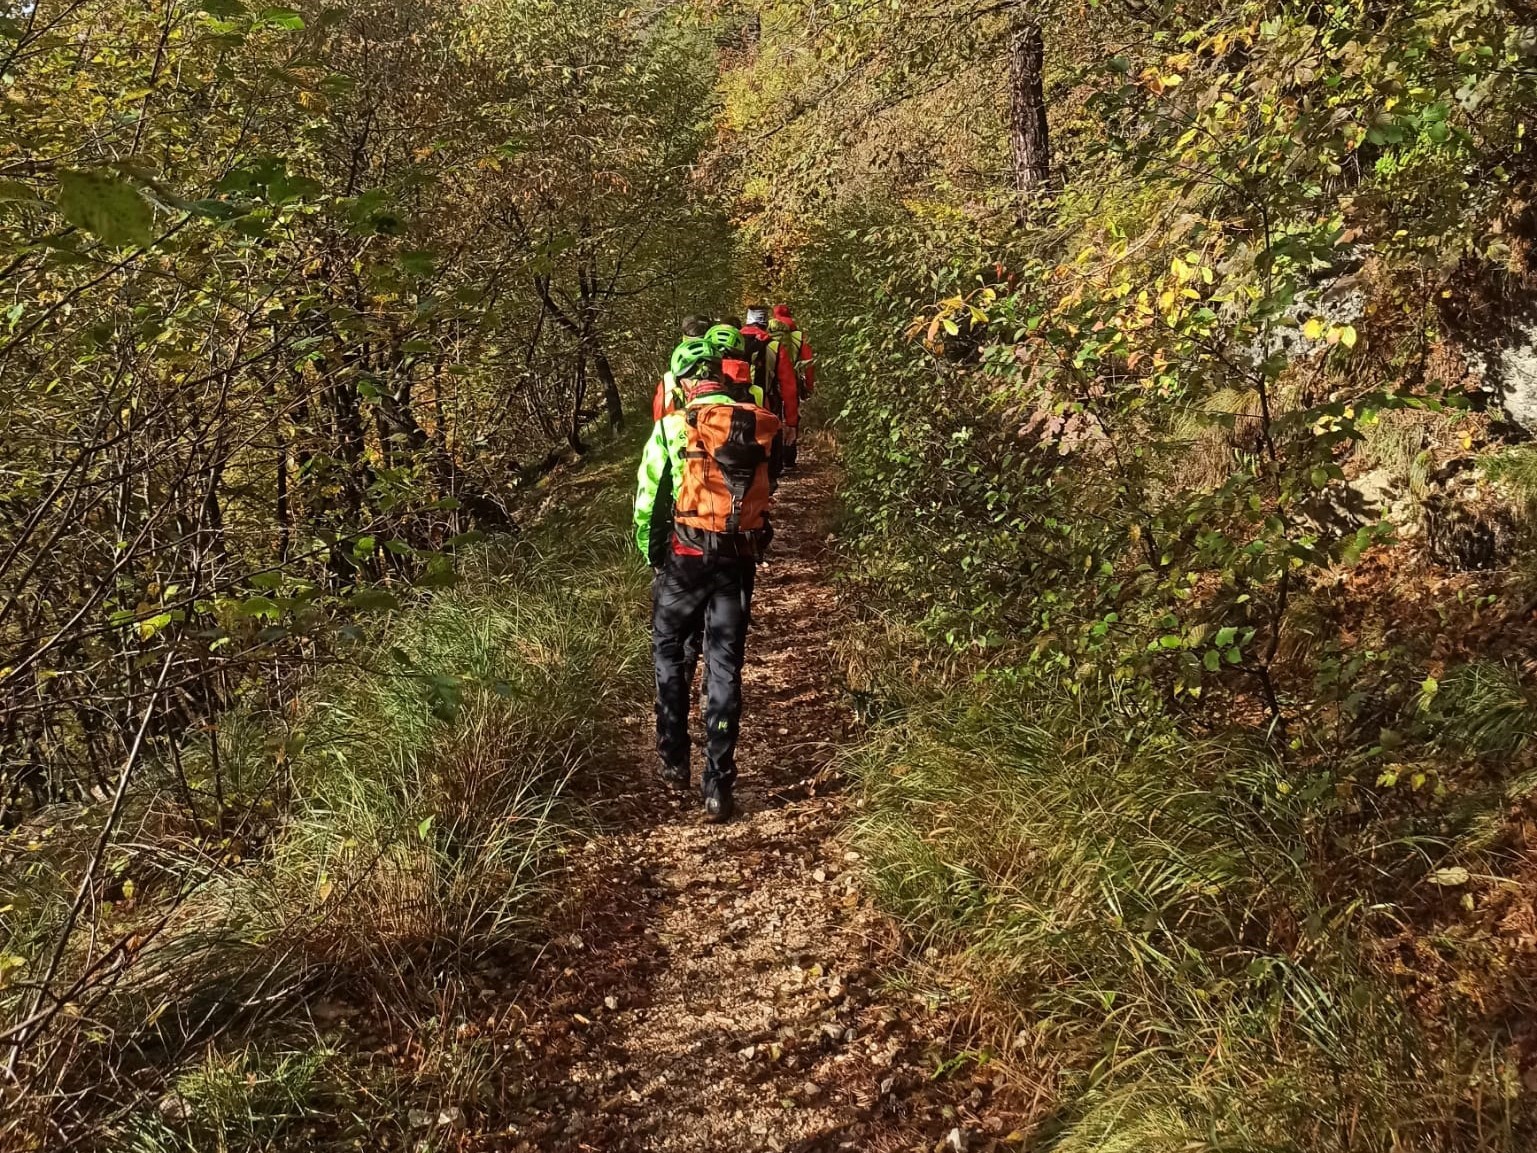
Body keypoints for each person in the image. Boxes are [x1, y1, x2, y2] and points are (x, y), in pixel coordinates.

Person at [634, 338, 782, 822]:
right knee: (724, 666)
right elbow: (767, 490)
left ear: (684, 385)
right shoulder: (752, 427)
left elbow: (647, 503)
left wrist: (655, 558)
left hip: (685, 559)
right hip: (736, 561)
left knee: (670, 650)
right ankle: (718, 784)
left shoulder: (672, 428)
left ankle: (673, 755)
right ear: (725, 381)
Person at [768, 304, 815, 469]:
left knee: (773, 417)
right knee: (791, 416)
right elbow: (809, 364)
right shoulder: (799, 336)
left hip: (769, 383)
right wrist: (809, 385)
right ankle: (789, 456)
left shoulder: (767, 335)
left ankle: (774, 457)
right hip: (791, 381)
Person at [652, 314, 713, 421]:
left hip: (678, 432)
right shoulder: (721, 371)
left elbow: (659, 418)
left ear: (684, 339)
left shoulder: (669, 379)